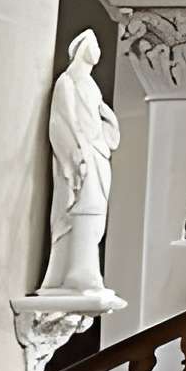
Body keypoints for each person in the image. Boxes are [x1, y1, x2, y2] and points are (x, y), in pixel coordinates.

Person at [43, 30, 120, 294]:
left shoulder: (91, 85)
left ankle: (88, 270)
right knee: (83, 207)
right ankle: (77, 272)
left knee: (97, 211)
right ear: (81, 48)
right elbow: (63, 120)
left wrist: (108, 122)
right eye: (93, 43)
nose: (97, 48)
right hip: (83, 155)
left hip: (97, 154)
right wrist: (78, 150)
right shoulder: (68, 82)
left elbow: (103, 126)